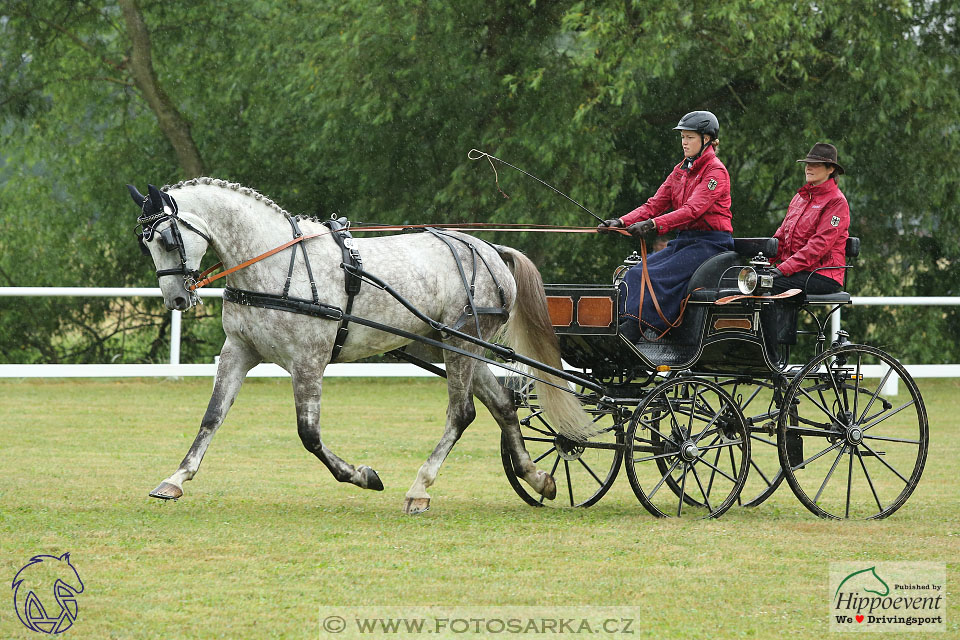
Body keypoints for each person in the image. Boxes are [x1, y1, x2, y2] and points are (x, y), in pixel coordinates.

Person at [598, 110, 733, 342]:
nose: (684, 142)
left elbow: (692, 210)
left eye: (690, 137)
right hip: (685, 241)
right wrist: (621, 221)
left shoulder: (715, 172)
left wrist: (652, 225)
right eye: (682, 137)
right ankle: (623, 325)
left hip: (711, 245)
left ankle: (636, 331)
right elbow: (654, 204)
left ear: (707, 139)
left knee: (653, 277)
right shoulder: (681, 170)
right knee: (634, 273)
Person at [767, 142, 850, 345]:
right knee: (752, 280)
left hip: (823, 274)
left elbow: (818, 246)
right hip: (798, 272)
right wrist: (762, 263)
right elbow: (780, 238)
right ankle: (758, 347)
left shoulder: (836, 202)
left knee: (770, 284)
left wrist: (782, 270)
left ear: (831, 170)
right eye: (807, 163)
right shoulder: (799, 199)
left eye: (816, 164)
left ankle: (771, 351)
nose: (808, 167)